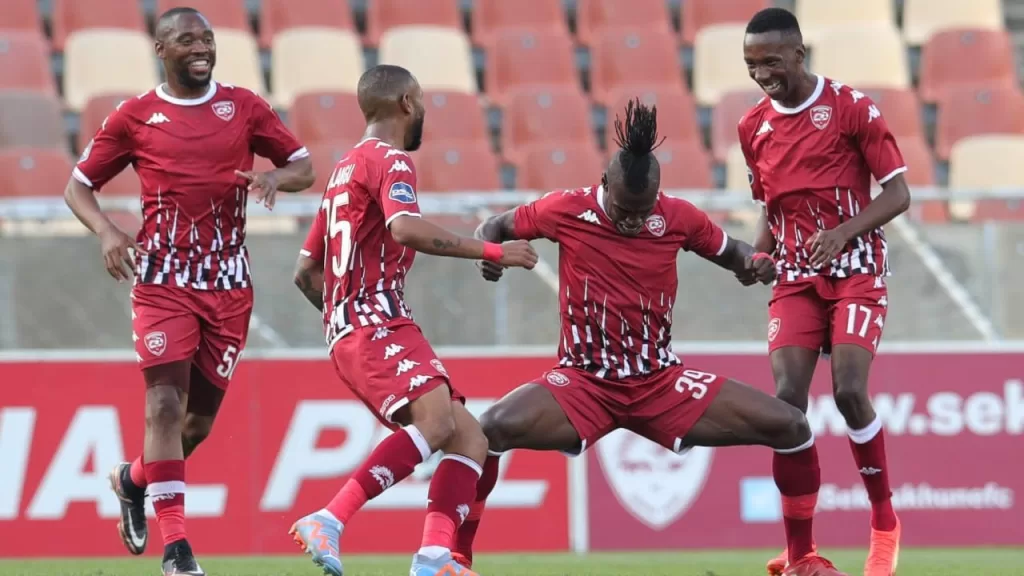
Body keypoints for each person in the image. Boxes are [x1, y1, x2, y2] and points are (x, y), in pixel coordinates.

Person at [454, 99, 846, 576]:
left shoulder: (678, 217)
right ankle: (458, 559)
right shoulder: (565, 209)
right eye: (624, 211)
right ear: (603, 186)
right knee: (487, 429)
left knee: (792, 426)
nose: (634, 221)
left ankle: (801, 560)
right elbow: (494, 225)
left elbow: (734, 251)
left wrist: (753, 264)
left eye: (643, 212)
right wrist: (491, 253)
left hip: (660, 382)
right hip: (583, 383)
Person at [63, 8, 314, 576]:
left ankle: (131, 481)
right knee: (164, 405)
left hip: (228, 285)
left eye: (207, 39)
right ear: (162, 49)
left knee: (193, 427)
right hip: (161, 281)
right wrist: (106, 229)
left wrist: (275, 177)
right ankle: (177, 553)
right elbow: (77, 187)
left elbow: (303, 165)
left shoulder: (244, 106)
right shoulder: (134, 116)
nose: (200, 48)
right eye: (186, 40)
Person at [289, 64, 538, 576]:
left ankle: (432, 559)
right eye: (420, 102)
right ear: (406, 102)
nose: (422, 111)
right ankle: (330, 519)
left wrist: (342, 320)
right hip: (377, 321)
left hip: (356, 326)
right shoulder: (391, 160)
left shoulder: (342, 171)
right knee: (438, 422)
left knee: (471, 438)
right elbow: (404, 228)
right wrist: (491, 250)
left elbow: (305, 272)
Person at [738, 8, 911, 576]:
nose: (761, 73)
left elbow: (898, 194)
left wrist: (842, 233)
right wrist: (758, 255)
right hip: (794, 277)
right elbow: (771, 210)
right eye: (750, 64)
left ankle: (884, 523)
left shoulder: (850, 108)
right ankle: (799, 556)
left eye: (770, 61)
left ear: (798, 54)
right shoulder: (752, 128)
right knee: (785, 406)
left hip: (857, 268)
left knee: (848, 393)